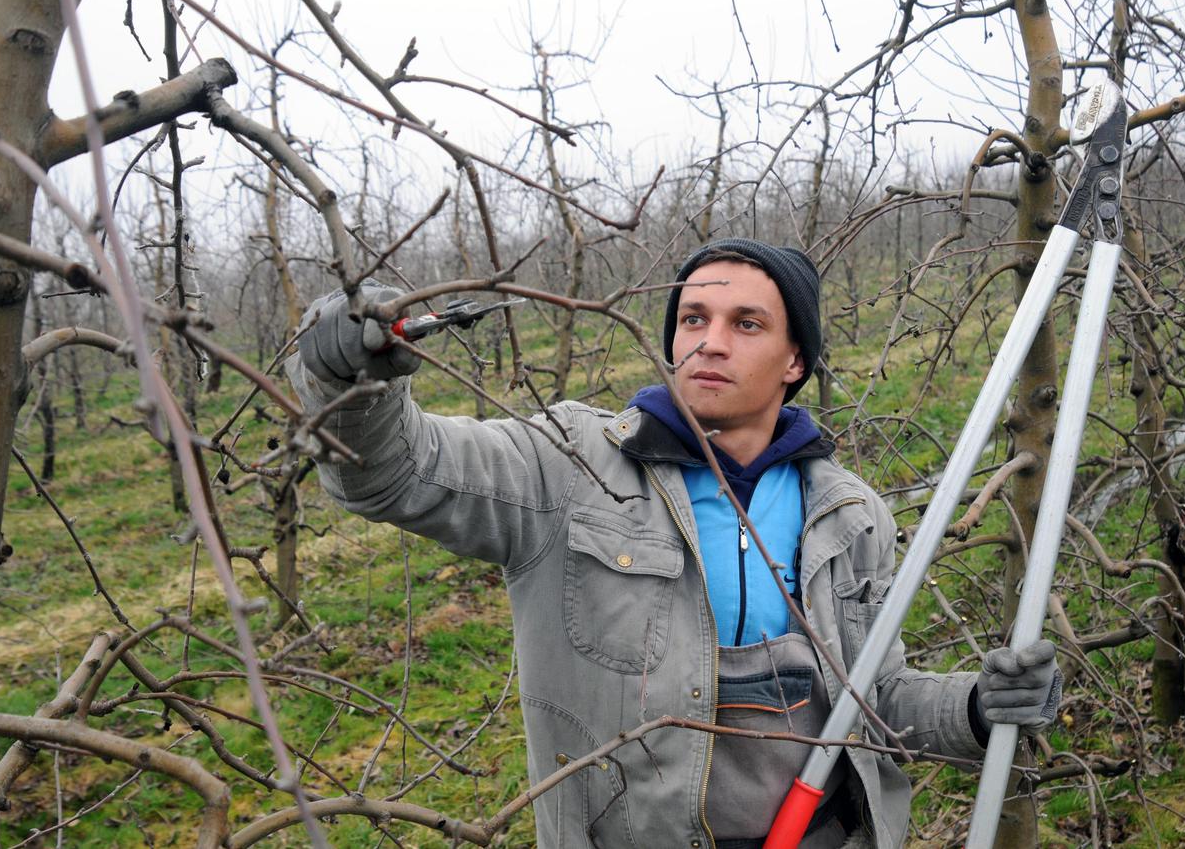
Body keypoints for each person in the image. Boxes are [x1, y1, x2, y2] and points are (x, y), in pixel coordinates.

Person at [287, 238, 1061, 849]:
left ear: (796, 360)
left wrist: (976, 706)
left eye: (745, 324)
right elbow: (391, 475)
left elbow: (876, 701)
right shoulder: (567, 464)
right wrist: (347, 382)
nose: (709, 343)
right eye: (694, 320)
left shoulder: (848, 512)